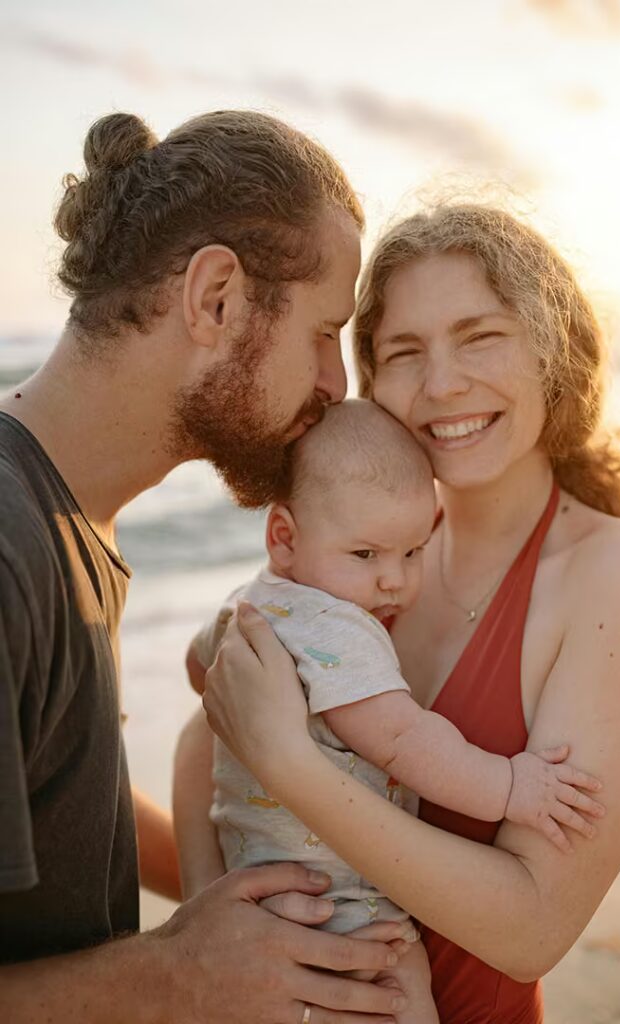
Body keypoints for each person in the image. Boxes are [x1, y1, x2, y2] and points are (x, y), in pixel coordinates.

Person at [199, 203, 620, 1023]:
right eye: (403, 352)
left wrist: (288, 764)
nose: (442, 383)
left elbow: (530, 929)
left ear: (552, 351)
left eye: (480, 335)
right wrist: (221, 934)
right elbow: (212, 720)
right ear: (372, 382)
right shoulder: (369, 558)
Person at [0, 109, 411, 1023]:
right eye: (322, 332)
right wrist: (173, 974)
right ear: (216, 296)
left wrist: (248, 874)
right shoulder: (6, 543)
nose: (336, 384)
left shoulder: (70, 518)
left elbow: (61, 812)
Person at [180, 398, 604, 1023]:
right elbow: (405, 740)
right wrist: (512, 787)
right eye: (366, 555)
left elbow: (201, 673)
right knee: (402, 986)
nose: (394, 582)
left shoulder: (245, 606)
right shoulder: (339, 630)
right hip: (346, 912)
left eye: (412, 552)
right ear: (283, 536)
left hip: (257, 897)